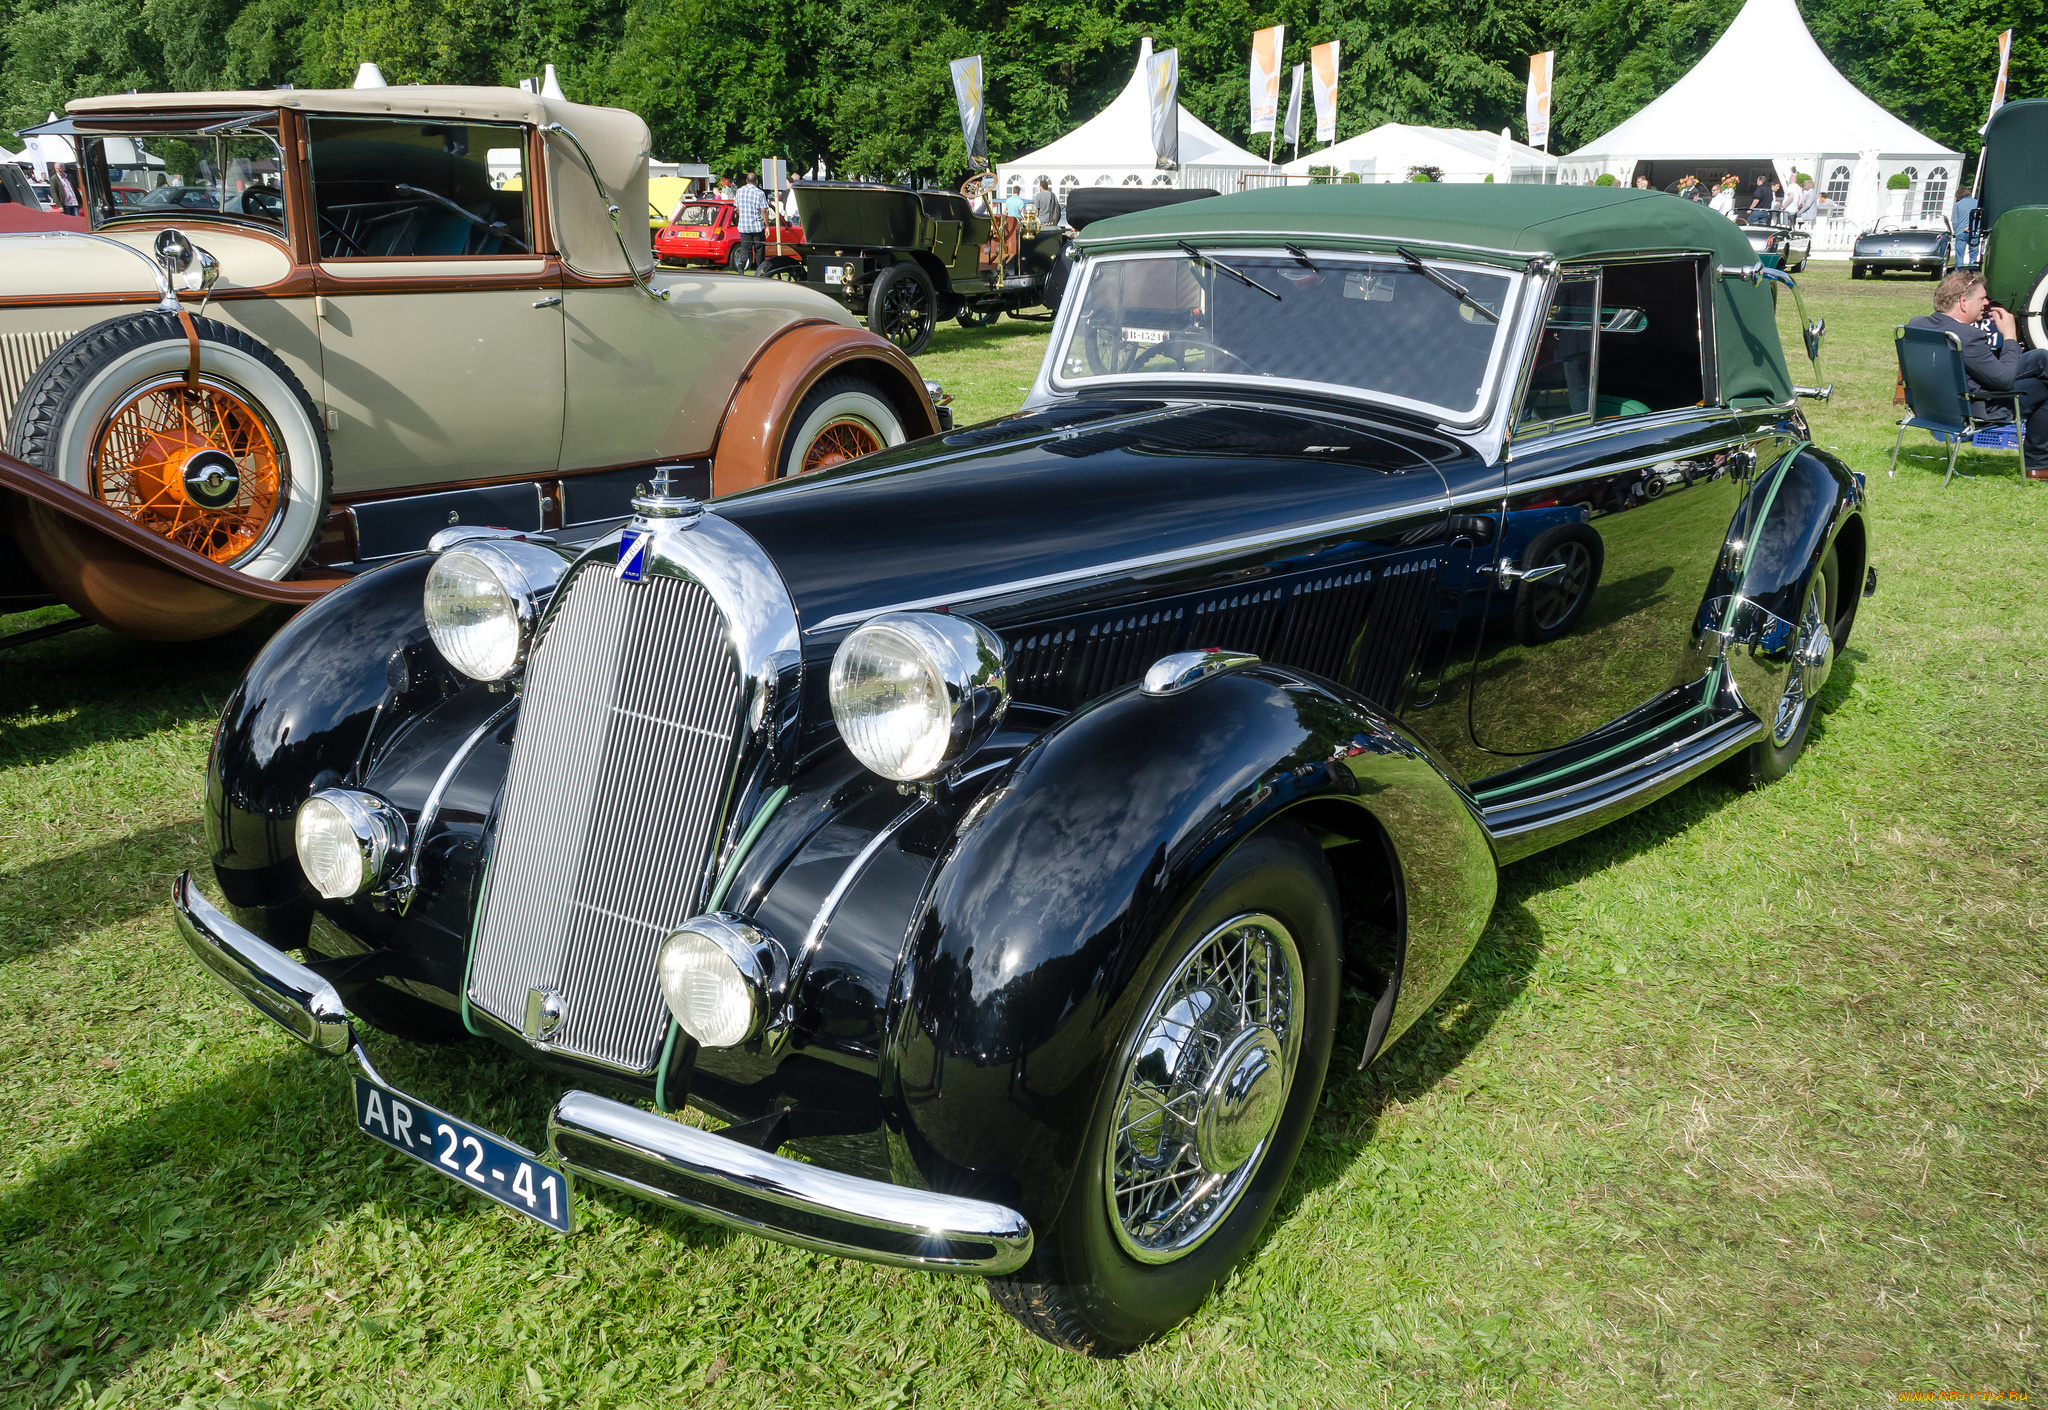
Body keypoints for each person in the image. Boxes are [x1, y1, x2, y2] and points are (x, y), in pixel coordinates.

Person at [1907, 271, 2048, 478]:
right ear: (1963, 302)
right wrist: (2010, 336)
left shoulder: (1917, 324)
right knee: (2044, 387)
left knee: (2040, 358)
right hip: (1977, 409)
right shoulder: (1967, 336)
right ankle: (2037, 465)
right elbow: (2004, 381)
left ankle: (2038, 464)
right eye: (1982, 298)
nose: (1986, 303)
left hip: (1933, 406)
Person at [732, 171, 768, 273]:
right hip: (757, 226)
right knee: (759, 248)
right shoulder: (760, 193)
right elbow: (763, 210)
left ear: (747, 181)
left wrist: (742, 217)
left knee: (745, 248)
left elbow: (737, 208)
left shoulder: (739, 191)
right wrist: (767, 225)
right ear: (756, 181)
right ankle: (759, 268)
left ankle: (741, 264)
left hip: (744, 226)